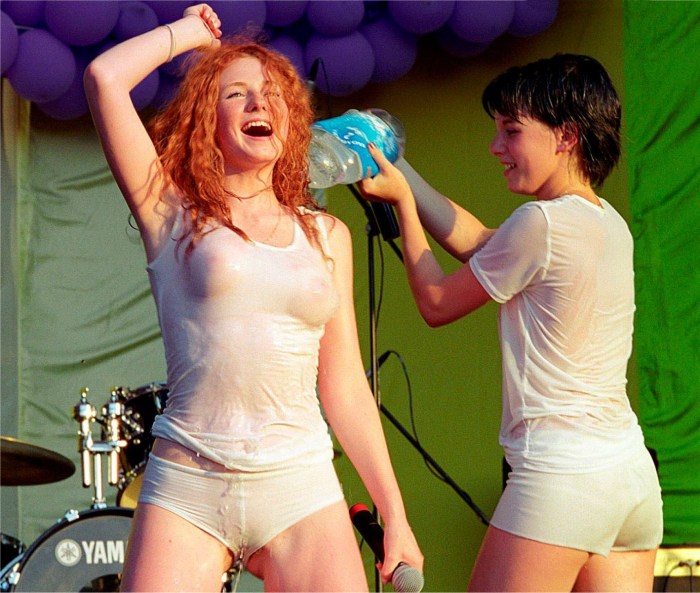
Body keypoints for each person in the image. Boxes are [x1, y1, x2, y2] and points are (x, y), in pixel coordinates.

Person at [84, 4, 423, 591]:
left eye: (272, 95)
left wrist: (392, 511)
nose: (257, 103)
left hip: (300, 485)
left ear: (292, 120)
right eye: (236, 94)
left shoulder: (327, 236)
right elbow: (105, 78)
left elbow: (344, 384)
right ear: (207, 120)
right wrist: (189, 34)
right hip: (189, 483)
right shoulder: (171, 211)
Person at [359, 54, 662, 592]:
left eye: (512, 131)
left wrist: (403, 203)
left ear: (566, 136)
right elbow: (478, 242)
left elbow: (435, 303)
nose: (496, 147)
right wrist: (399, 167)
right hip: (631, 481)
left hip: (562, 480)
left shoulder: (540, 223)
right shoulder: (605, 221)